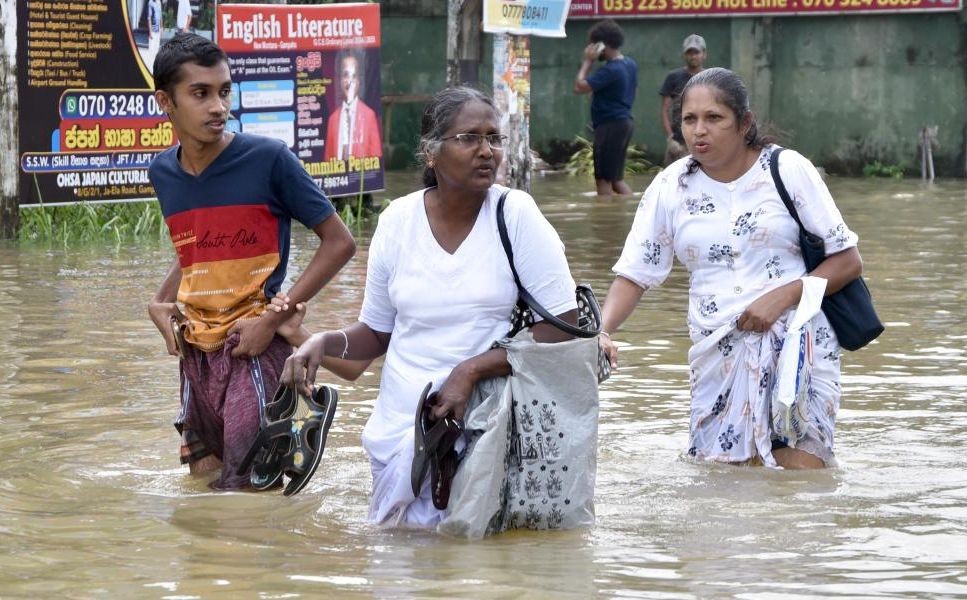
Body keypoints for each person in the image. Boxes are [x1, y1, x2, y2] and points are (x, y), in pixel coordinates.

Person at [282, 87, 579, 527]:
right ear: (430, 154)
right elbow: (377, 334)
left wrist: (470, 371)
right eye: (469, 138)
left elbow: (563, 327)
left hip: (482, 426)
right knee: (397, 571)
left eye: (494, 138)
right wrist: (321, 343)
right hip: (400, 431)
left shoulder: (515, 214)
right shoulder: (397, 222)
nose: (486, 151)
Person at [599, 68, 864, 469]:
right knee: (724, 484)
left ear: (744, 123)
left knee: (801, 478)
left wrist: (782, 296)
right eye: (689, 119)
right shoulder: (672, 187)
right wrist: (601, 330)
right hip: (716, 349)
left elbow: (847, 260)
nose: (699, 131)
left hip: (797, 346)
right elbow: (636, 273)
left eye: (714, 118)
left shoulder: (787, 170)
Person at [146, 33, 356, 490]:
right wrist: (159, 302)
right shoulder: (163, 172)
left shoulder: (268, 159)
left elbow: (339, 243)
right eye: (200, 94)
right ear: (166, 101)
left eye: (224, 91)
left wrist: (273, 317)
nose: (218, 106)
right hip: (196, 354)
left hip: (253, 349)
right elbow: (198, 248)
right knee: (204, 482)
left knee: (247, 492)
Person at [573, 19, 638, 196]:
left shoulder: (611, 70)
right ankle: (634, 213)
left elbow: (579, 87)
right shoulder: (630, 64)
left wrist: (587, 61)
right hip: (623, 123)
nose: (591, 48)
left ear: (602, 45)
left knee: (603, 180)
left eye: (593, 45)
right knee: (616, 180)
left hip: (610, 126)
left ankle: (606, 223)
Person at [324, 49, 383, 161]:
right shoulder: (333, 120)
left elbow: (376, 160)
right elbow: (328, 161)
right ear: (340, 80)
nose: (349, 81)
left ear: (359, 81)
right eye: (346, 75)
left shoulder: (369, 116)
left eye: (353, 76)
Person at [659, 34, 707, 166]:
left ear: (704, 54)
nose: (693, 56)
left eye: (696, 52)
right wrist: (670, 139)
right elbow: (664, 110)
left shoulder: (711, 78)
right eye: (689, 53)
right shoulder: (673, 77)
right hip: (679, 143)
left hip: (702, 142)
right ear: (684, 55)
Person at [145, 0, 162, 72]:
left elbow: (161, 16)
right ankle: (150, 69)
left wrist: (162, 27)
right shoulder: (150, 2)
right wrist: (150, 32)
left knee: (156, 50)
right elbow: (149, 18)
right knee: (151, 51)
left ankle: (156, 69)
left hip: (158, 30)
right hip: (153, 31)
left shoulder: (159, 2)